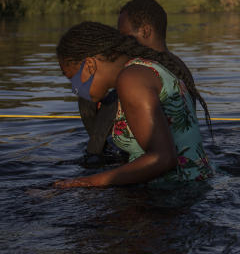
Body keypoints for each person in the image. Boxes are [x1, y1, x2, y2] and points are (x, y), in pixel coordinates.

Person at [54, 21, 213, 188]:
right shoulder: (142, 69)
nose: (75, 89)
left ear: (90, 65)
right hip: (189, 187)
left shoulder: (131, 80)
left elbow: (163, 158)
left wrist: (81, 182)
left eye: (72, 79)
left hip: (174, 194)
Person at [76, 0, 196, 167]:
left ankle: (96, 157)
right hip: (180, 154)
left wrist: (91, 160)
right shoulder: (177, 65)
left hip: (158, 163)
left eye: (124, 36)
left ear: (146, 31)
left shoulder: (139, 71)